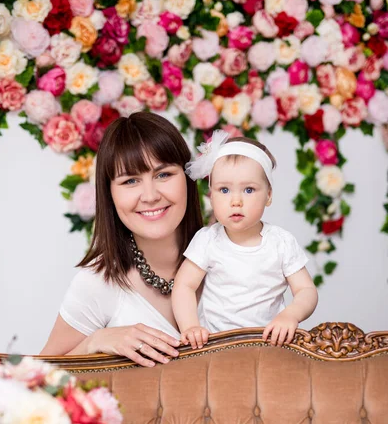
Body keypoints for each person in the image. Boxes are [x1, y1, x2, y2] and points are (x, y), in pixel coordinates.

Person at [40, 112, 203, 366]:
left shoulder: (232, 257)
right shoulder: (97, 283)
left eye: (163, 175)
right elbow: (41, 378)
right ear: (110, 195)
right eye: (130, 181)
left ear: (188, 179)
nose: (150, 196)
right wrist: (94, 342)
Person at [171, 130, 318, 350]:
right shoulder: (207, 240)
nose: (236, 201)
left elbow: (306, 291)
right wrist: (190, 326)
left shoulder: (280, 243)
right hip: (215, 345)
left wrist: (290, 316)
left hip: (269, 344)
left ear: (268, 195)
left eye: (249, 189)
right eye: (224, 190)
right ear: (211, 194)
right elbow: (184, 285)